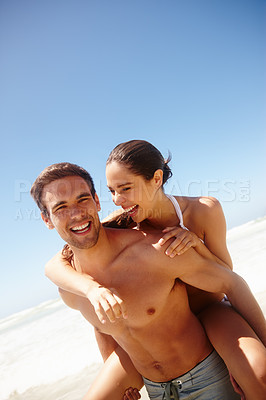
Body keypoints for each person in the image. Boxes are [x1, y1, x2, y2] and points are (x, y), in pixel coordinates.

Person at [45, 141, 266, 400]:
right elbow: (54, 264)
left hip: (211, 309)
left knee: (259, 375)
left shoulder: (203, 210)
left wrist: (196, 245)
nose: (118, 200)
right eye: (112, 191)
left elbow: (226, 275)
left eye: (125, 188)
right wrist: (90, 289)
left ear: (156, 179)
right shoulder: (123, 222)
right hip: (163, 327)